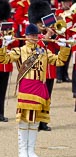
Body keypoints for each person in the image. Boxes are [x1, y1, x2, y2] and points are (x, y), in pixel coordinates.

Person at [0, 23, 70, 157]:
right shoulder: (20, 51)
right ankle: (22, 153)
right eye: (31, 35)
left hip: (39, 90)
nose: (34, 38)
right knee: (24, 122)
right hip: (26, 89)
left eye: (36, 35)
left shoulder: (43, 51)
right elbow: (3, 59)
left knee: (35, 122)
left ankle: (31, 152)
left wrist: (64, 46)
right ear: (25, 36)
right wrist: (3, 46)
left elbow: (59, 61)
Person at [28, 0, 60, 131]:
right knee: (37, 98)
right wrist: (45, 38)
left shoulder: (50, 33)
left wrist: (55, 35)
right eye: (40, 23)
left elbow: (57, 48)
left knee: (47, 98)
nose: (42, 25)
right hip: (38, 71)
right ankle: (35, 121)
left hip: (50, 71)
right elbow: (35, 50)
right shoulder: (32, 36)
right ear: (35, 23)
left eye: (43, 23)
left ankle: (43, 122)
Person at [55, 0, 72, 83]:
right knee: (59, 57)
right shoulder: (58, 12)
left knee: (67, 58)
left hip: (69, 37)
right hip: (60, 37)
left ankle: (65, 75)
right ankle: (59, 76)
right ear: (62, 3)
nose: (68, 4)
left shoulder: (72, 12)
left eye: (69, 2)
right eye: (66, 2)